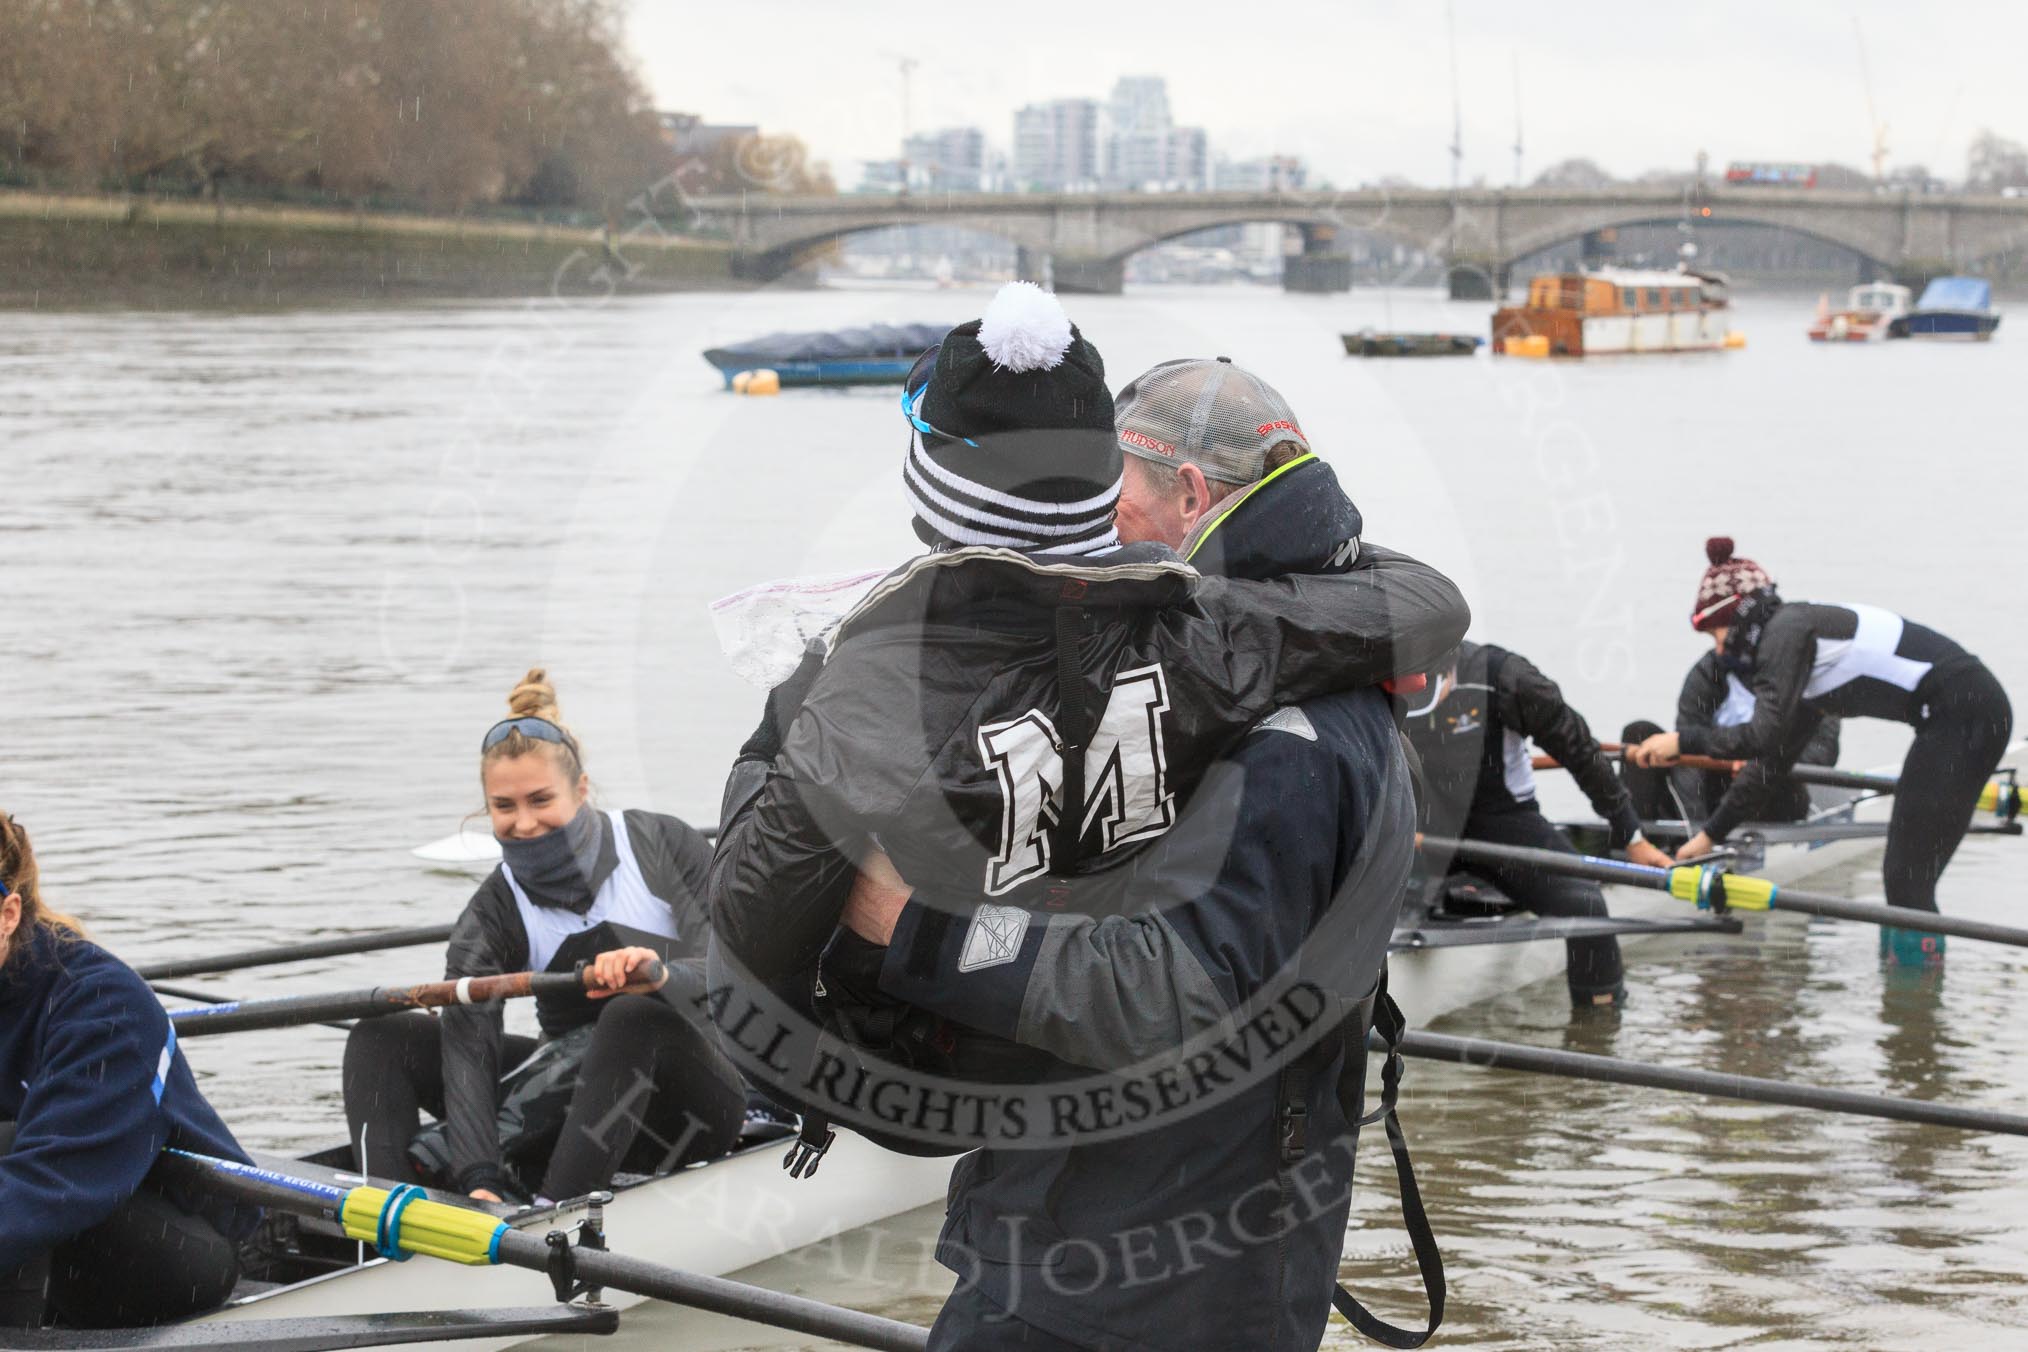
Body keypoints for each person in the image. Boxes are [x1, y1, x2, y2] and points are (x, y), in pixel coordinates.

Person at [836, 357, 1439, 1351]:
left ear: (1191, 494)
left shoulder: (1283, 731)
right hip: (1181, 1255)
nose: (1092, 523)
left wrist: (909, 926)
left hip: (1131, 1276)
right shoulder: (1279, 664)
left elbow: (1170, 987)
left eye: (1113, 491)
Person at [341, 669, 745, 1205]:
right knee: (381, 1034)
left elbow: (736, 973)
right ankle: (392, 1217)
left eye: (540, 800)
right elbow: (469, 1050)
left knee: (631, 1014)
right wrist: (479, 1175)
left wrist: (662, 974)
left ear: (580, 790)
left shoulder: (659, 843)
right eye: (504, 808)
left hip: (695, 1104)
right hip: (579, 1108)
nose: (524, 823)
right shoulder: (492, 911)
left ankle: (557, 1214)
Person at [1629, 544, 2013, 960]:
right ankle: (1910, 1019)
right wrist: (1708, 837)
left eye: (1715, 633)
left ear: (1737, 618)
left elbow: (1759, 736)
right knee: (1905, 880)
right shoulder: (1799, 651)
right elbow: (1771, 762)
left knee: (1906, 880)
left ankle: (1914, 995)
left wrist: (1682, 742)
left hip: (1964, 718)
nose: (1718, 650)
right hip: (1959, 718)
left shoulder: (1787, 631)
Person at [1, 812, 258, 1330]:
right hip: (54, 1207)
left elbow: (45, 1190)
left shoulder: (102, 1002)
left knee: (9, 1153)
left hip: (180, 1245)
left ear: (8, 915)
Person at [1401, 641, 1677, 1007]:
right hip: (1411, 832)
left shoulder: (1507, 678)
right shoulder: (1371, 676)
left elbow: (1580, 751)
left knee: (1587, 906)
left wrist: (1631, 835)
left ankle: (1598, 1023)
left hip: (1501, 825)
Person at [1617, 540, 1840, 827]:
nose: (1718, 648)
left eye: (1718, 634)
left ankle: (1697, 841)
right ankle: (1638, 841)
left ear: (1744, 624)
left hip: (1777, 794)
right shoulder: (1708, 674)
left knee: (1765, 768)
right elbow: (1687, 753)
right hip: (1712, 797)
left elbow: (1823, 755)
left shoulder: (1808, 670)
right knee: (1640, 734)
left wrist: (1757, 761)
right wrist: (1701, 833)